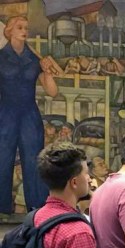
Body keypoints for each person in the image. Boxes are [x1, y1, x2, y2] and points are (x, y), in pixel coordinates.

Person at [0, 16, 58, 214]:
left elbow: (52, 92)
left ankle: (37, 210)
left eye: (26, 27)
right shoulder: (0, 57)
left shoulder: (35, 60)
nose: (25, 31)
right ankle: (2, 209)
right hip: (5, 115)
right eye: (20, 27)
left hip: (29, 115)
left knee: (34, 161)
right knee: (2, 160)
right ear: (9, 31)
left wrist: (47, 71)